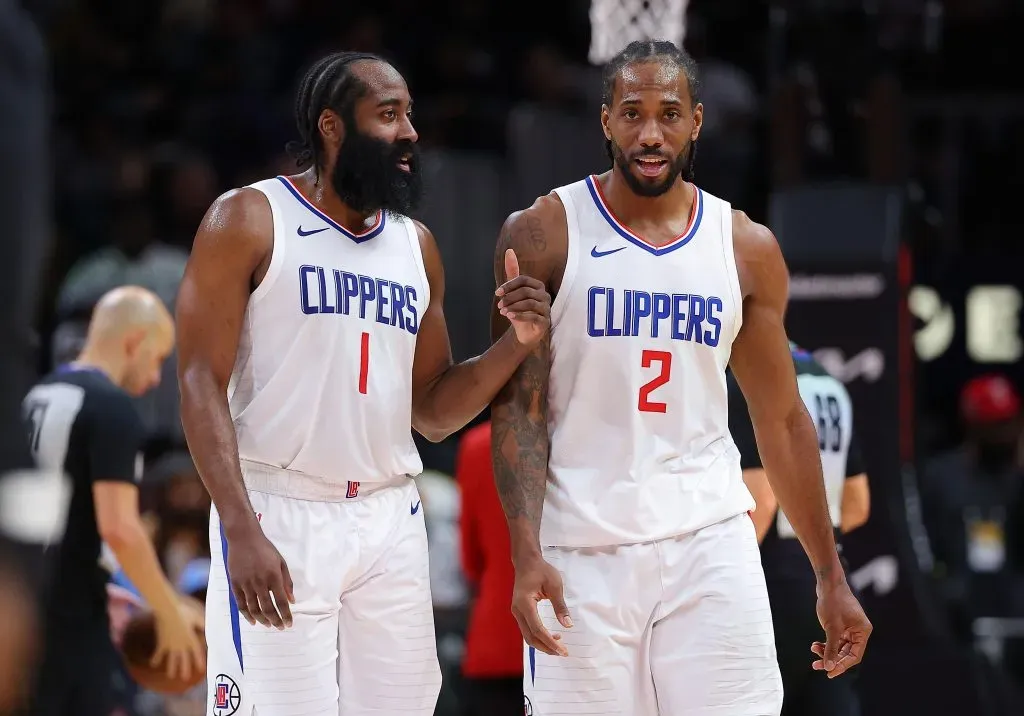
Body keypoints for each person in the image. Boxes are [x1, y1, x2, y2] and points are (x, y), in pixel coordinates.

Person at [489, 40, 873, 716]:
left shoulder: (744, 247)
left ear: (697, 122)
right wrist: (525, 553)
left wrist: (830, 576)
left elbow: (782, 419)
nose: (649, 133)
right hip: (581, 549)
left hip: (709, 542)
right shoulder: (545, 231)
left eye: (669, 113)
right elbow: (518, 411)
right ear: (605, 120)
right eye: (631, 112)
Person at [175, 51, 551, 716]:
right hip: (277, 508)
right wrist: (239, 525)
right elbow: (199, 381)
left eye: (409, 114)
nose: (409, 132)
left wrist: (512, 346)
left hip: (387, 517)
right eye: (388, 115)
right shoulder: (250, 219)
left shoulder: (416, 246)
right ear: (331, 126)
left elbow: (432, 412)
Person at [23, 286, 205, 716]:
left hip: (28, 605)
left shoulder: (36, 395)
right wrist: (170, 612)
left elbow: (49, 524)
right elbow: (120, 528)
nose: (157, 377)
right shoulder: (113, 409)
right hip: (68, 627)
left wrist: (102, 586)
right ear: (134, 342)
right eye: (159, 358)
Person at [728, 342, 871, 716]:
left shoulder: (747, 373)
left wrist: (724, 584)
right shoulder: (828, 381)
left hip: (770, 573)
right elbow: (857, 504)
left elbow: (762, 498)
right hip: (828, 574)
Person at [456, 421, 523, 716]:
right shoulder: (574, 440)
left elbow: (470, 559)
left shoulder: (477, 443)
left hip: (496, 633)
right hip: (571, 634)